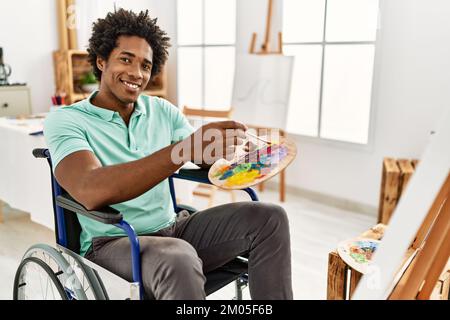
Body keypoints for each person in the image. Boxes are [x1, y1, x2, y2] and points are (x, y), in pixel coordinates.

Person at [44, 9, 292, 300]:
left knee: (269, 218)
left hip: (174, 229)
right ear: (101, 61)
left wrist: (228, 151)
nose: (137, 73)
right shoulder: (67, 120)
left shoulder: (162, 110)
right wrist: (183, 149)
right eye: (126, 59)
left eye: (146, 66)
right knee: (178, 257)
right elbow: (90, 188)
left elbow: (202, 158)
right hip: (113, 242)